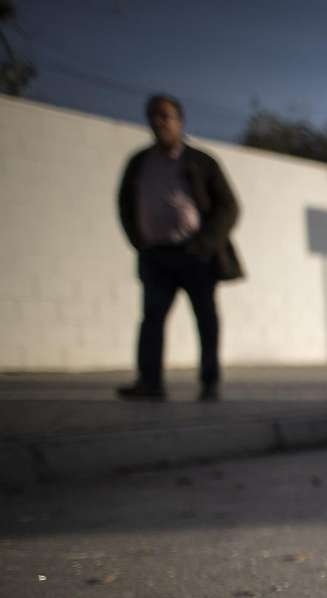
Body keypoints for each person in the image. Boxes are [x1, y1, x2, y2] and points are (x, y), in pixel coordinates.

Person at [115, 93, 243, 401]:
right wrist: (139, 242)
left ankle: (209, 381)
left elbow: (228, 206)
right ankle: (150, 382)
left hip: (194, 255)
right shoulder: (139, 162)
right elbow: (125, 204)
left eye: (164, 116)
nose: (158, 122)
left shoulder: (201, 161)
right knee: (152, 318)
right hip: (156, 255)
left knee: (205, 319)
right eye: (152, 116)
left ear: (180, 122)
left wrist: (205, 243)